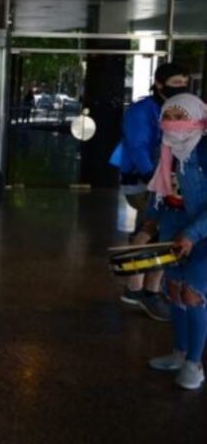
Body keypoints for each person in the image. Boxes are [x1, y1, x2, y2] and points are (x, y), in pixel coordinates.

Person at [110, 62, 190, 321]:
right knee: (151, 230)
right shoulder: (143, 110)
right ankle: (138, 289)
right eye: (175, 83)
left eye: (184, 83)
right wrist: (153, 178)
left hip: (169, 181)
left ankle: (149, 290)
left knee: (160, 231)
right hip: (145, 181)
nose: (182, 87)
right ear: (158, 83)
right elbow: (138, 145)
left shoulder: (179, 108)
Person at [144, 94, 207, 390]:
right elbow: (160, 189)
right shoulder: (167, 148)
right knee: (174, 291)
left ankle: (194, 363)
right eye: (169, 116)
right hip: (174, 230)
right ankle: (179, 353)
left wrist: (192, 235)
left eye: (181, 116)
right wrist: (150, 221)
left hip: (201, 234)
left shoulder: (204, 151)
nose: (174, 123)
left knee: (194, 294)